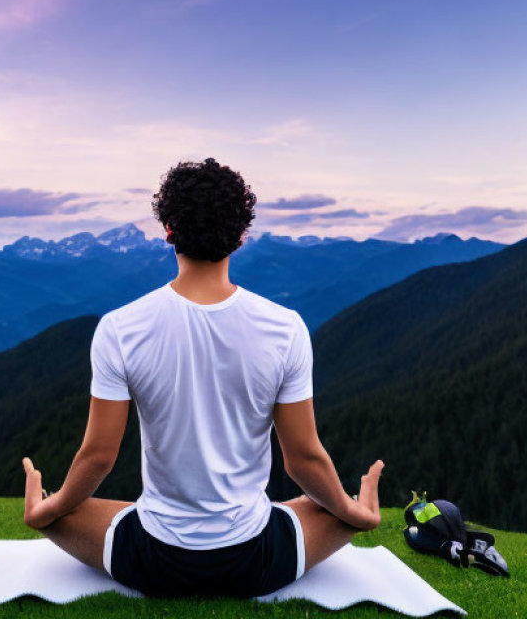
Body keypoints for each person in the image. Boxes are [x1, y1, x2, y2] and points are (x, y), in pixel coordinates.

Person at [21, 157, 384, 599]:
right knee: (328, 506)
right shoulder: (285, 328)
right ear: (241, 235)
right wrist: (355, 511)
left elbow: (98, 456)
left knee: (60, 513)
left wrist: (49, 508)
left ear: (168, 230)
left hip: (153, 559)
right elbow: (303, 460)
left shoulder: (120, 328)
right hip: (256, 560)